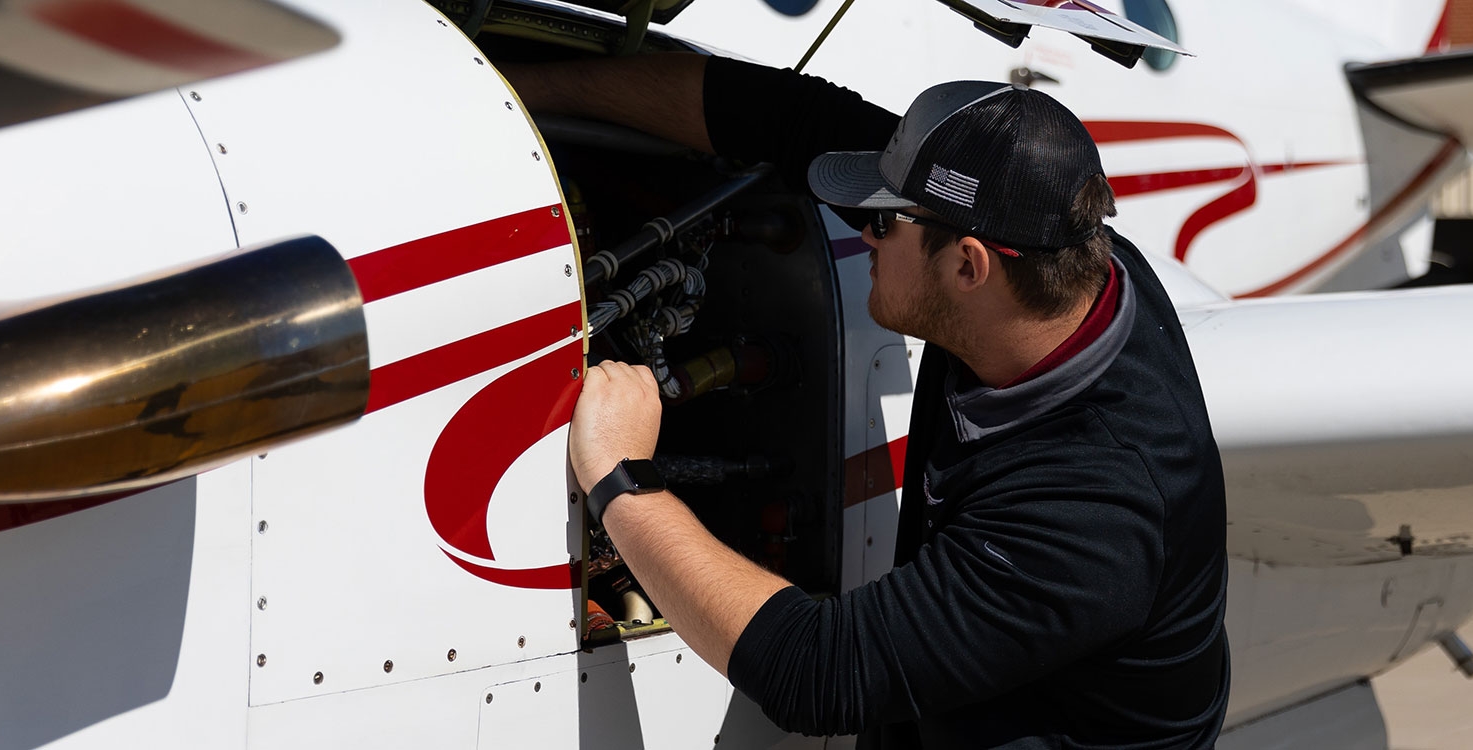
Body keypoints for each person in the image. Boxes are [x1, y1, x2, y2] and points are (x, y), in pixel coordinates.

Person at [513, 52, 1229, 748]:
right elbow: (784, 118)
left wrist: (624, 477)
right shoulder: (1056, 253)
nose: (862, 231)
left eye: (885, 223)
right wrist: (517, 87)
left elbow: (816, 674)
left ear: (968, 265)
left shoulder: (1093, 514)